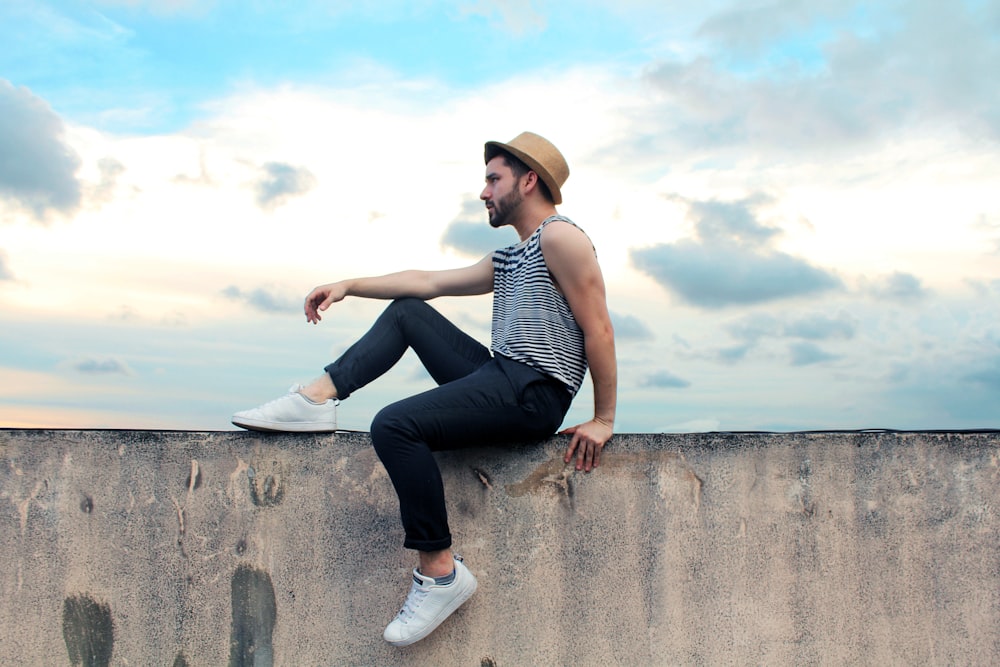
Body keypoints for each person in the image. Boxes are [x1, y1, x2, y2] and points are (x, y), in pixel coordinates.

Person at [232, 131, 617, 646]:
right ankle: (316, 398)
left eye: (492, 179)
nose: (483, 192)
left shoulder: (561, 238)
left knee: (394, 425)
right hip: (500, 374)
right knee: (410, 313)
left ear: (528, 181)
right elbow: (427, 282)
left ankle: (440, 573)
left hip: (532, 393)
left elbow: (600, 328)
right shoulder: (510, 258)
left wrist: (604, 418)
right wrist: (350, 284)